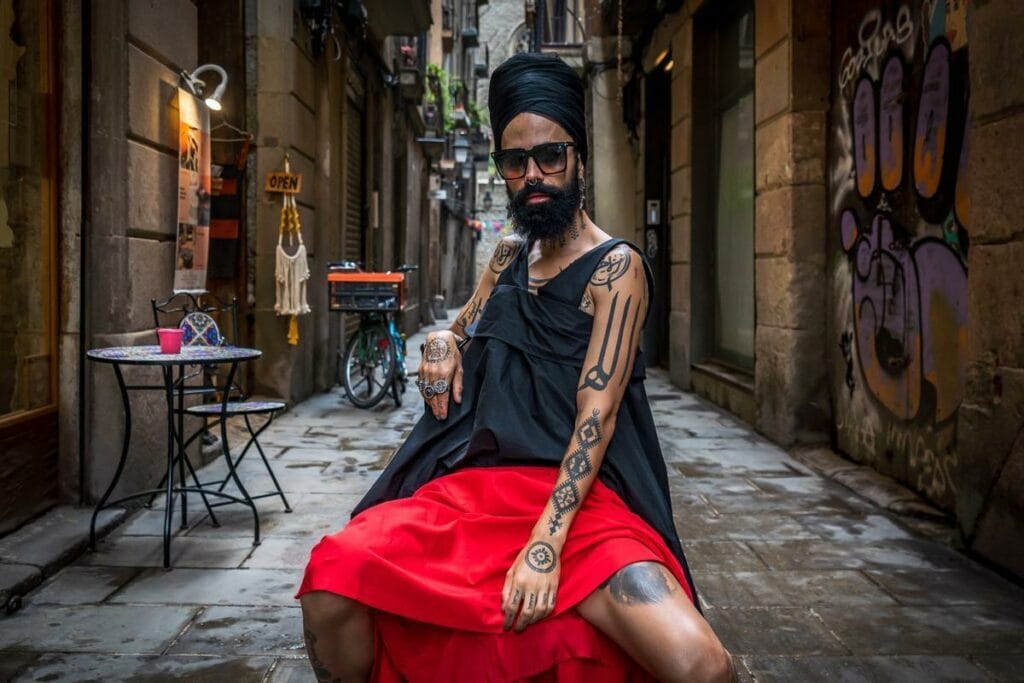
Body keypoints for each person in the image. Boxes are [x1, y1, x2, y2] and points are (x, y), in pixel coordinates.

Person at [298, 52, 736, 682]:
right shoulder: (508, 255)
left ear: (579, 158)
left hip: (580, 502)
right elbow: (462, 327)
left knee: (700, 664)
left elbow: (597, 416)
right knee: (330, 586)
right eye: (514, 161)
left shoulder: (617, 269)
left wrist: (545, 544)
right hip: (476, 486)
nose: (532, 175)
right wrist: (441, 343)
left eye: (550, 156)